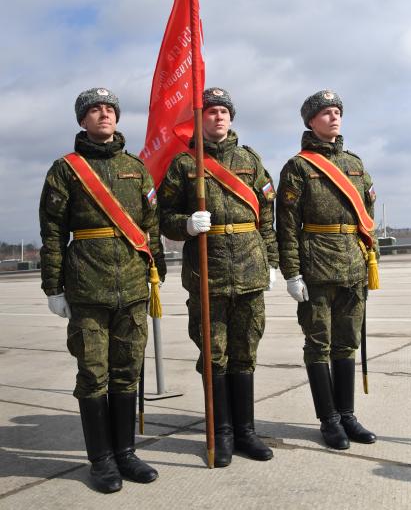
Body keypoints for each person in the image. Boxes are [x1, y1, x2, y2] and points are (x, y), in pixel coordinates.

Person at [39, 88, 166, 493]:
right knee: (94, 374)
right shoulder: (65, 170)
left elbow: (151, 224)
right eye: (95, 110)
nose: (104, 115)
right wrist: (53, 286)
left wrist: (156, 272)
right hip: (87, 287)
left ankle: (126, 452)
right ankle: (101, 460)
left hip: (131, 285)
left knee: (128, 371)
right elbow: (53, 232)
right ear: (82, 120)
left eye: (110, 109)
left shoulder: (136, 168)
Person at [158, 87, 279, 467]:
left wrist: (271, 263)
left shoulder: (251, 160)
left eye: (224, 110)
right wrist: (187, 226)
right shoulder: (182, 165)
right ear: (199, 118)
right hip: (206, 274)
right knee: (214, 356)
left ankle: (246, 432)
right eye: (210, 111)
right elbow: (162, 219)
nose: (218, 117)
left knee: (246, 353)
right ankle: (222, 432)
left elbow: (267, 219)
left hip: (249, 270)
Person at [276, 89, 378, 450]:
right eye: (325, 113)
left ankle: (348, 414)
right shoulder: (298, 167)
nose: (333, 117)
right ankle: (329, 419)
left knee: (347, 343)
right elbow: (286, 225)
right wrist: (291, 273)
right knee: (319, 344)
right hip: (316, 267)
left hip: (352, 266)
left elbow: (365, 219)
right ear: (310, 121)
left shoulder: (355, 163)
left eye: (337, 111)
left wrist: (370, 260)